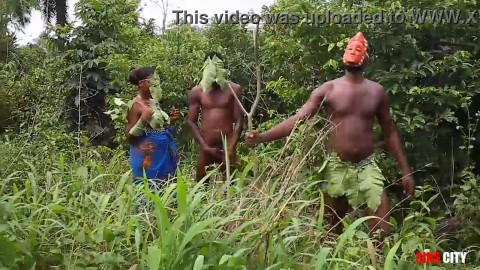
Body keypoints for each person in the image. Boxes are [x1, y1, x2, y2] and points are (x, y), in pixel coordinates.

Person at [245, 32, 415, 237]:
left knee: (381, 233)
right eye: (351, 48)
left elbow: (390, 133)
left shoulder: (376, 91)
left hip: (367, 167)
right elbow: (299, 119)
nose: (354, 52)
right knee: (330, 232)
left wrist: (405, 171)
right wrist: (263, 136)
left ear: (366, 58)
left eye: (359, 49)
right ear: (344, 56)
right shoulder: (329, 89)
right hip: (336, 168)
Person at [187, 52, 243, 185]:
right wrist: (204, 146)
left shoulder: (233, 89)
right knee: (202, 182)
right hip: (206, 143)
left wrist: (230, 147)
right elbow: (190, 121)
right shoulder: (197, 91)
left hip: (227, 143)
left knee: (230, 183)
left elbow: (240, 121)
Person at [125, 66, 181, 193]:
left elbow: (160, 129)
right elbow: (129, 137)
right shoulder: (135, 105)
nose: (156, 85)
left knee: (167, 192)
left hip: (164, 155)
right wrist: (142, 120)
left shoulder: (154, 102)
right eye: (152, 81)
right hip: (147, 157)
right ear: (141, 84)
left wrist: (172, 120)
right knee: (147, 193)